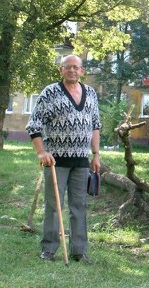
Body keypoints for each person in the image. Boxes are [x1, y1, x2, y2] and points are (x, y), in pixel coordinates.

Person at [26, 54, 101, 264]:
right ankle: (49, 249)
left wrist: (96, 154)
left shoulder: (91, 94)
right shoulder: (50, 92)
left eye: (76, 67)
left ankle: (79, 250)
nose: (72, 71)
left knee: (79, 205)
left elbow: (95, 125)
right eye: (67, 67)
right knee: (53, 206)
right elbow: (34, 125)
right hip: (55, 161)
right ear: (61, 70)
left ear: (82, 71)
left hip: (81, 161)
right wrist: (41, 152)